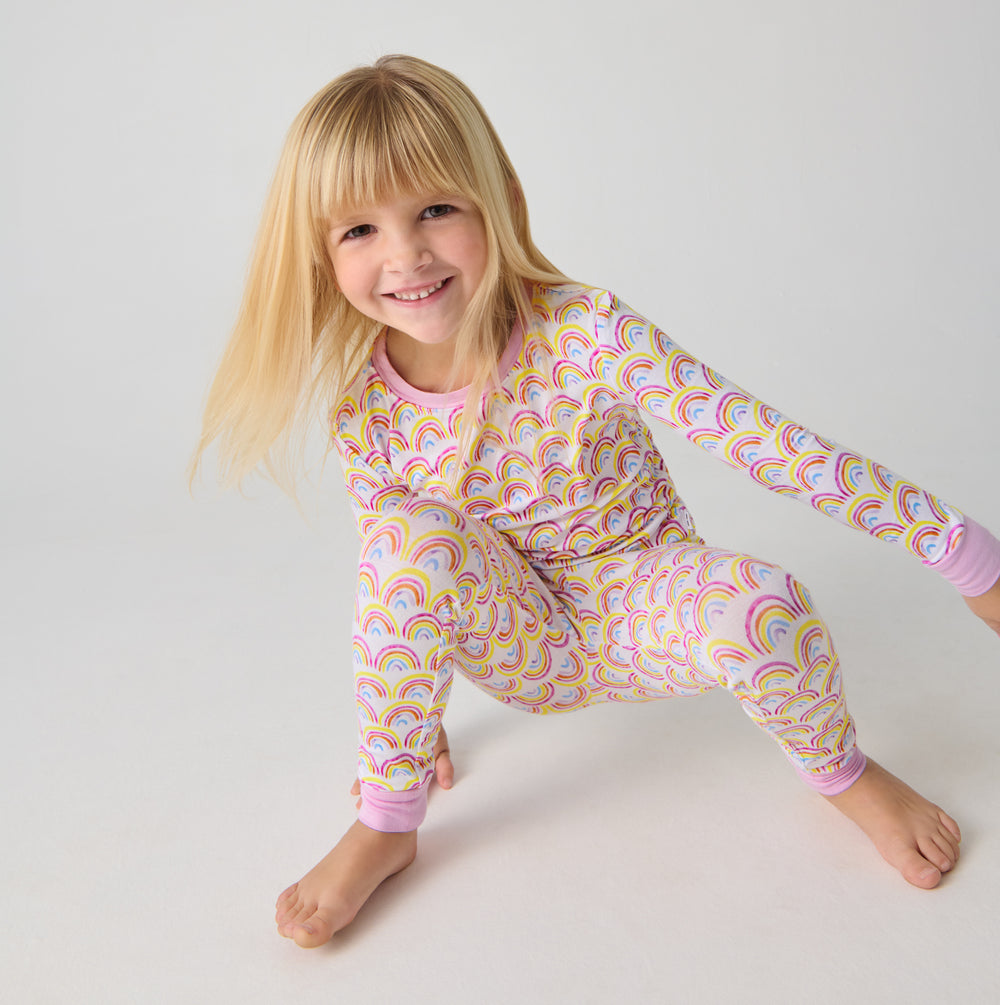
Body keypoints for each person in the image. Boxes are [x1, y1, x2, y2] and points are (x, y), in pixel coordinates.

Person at [190, 54, 1000, 949]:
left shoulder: (585, 334)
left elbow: (772, 446)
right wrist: (411, 722)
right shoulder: (364, 410)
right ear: (318, 252)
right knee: (399, 539)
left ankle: (846, 775)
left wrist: (966, 555)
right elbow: (400, 583)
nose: (406, 254)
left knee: (764, 606)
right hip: (521, 641)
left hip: (644, 600)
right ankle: (388, 824)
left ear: (499, 196)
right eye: (359, 231)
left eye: (435, 209)